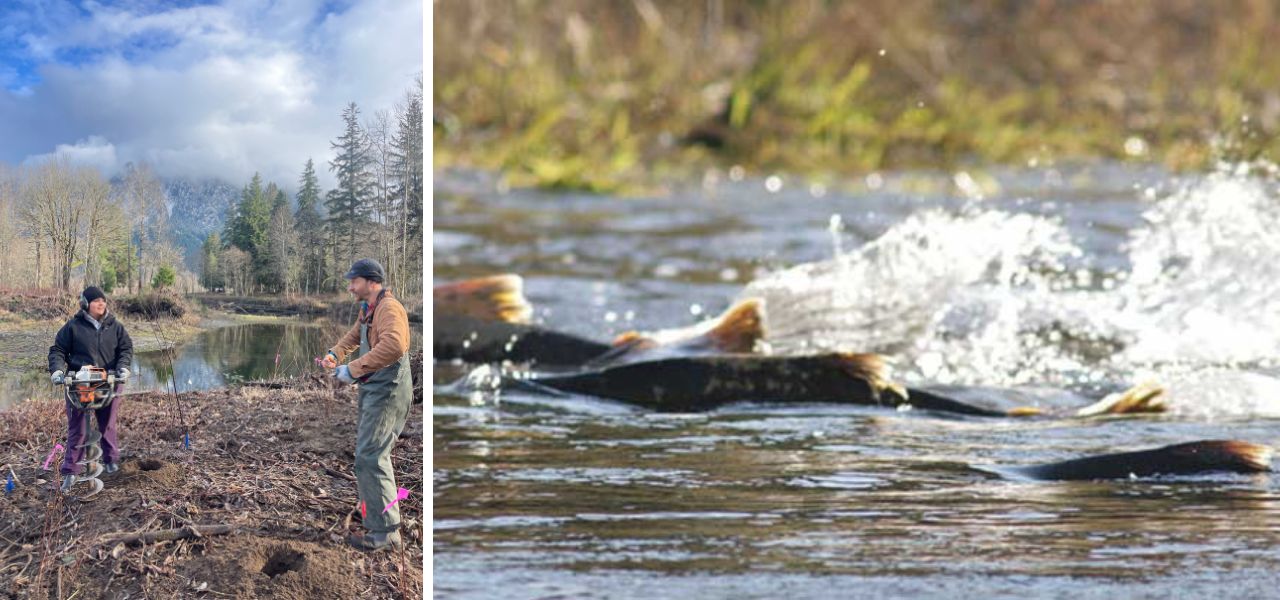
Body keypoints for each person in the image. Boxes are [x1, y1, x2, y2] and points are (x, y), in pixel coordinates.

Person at [321, 258, 412, 551]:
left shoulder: (389, 308)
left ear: (372, 282)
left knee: (372, 456)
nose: (350, 287)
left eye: (354, 281)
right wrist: (335, 354)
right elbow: (354, 336)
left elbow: (396, 345)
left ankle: (386, 533)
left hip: (389, 391)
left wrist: (353, 369)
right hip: (374, 388)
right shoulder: (369, 308)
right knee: (365, 452)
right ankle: (371, 511)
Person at [48, 286, 133, 492]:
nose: (101, 303)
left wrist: (123, 367)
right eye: (96, 301)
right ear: (85, 304)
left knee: (108, 425)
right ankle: (71, 471)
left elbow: (126, 349)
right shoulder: (73, 327)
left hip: (108, 382)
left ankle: (110, 459)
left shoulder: (116, 326)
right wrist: (58, 371)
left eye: (103, 300)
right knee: (78, 428)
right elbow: (57, 350)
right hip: (80, 383)